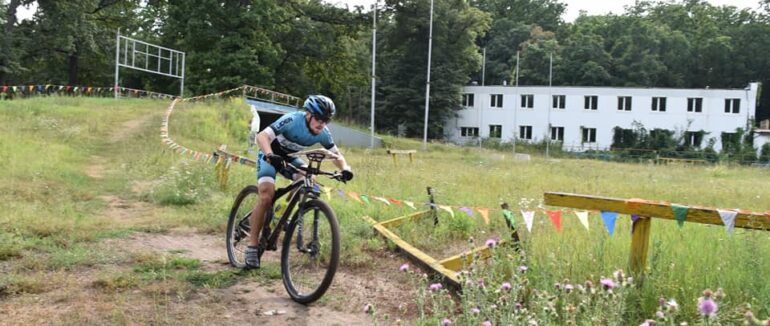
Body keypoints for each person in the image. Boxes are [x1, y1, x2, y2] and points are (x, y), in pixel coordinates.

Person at [245, 95, 354, 269]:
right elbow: (262, 136)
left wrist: (345, 168)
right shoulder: (292, 119)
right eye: (318, 118)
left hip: (291, 158)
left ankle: (283, 215)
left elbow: (336, 155)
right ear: (308, 114)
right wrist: (269, 154)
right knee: (266, 196)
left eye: (326, 120)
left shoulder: (324, 133)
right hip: (269, 155)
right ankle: (251, 246)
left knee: (309, 178)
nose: (322, 124)